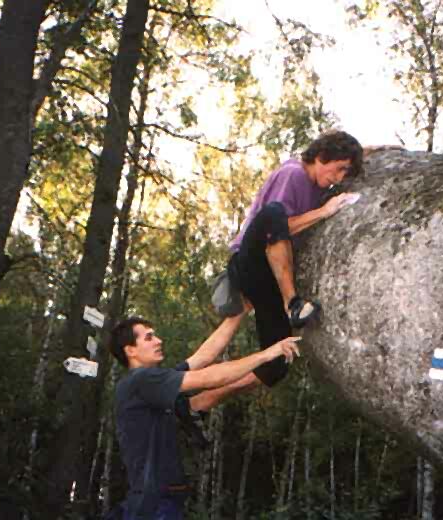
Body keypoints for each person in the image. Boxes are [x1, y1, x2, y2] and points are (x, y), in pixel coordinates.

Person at [109, 311, 301, 519]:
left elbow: (205, 356)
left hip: (159, 501)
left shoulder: (154, 384)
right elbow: (209, 377)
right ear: (130, 350)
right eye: (149, 337)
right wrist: (266, 354)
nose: (158, 340)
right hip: (152, 506)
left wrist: (240, 310)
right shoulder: (141, 380)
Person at [227, 130, 364, 389]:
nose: (339, 178)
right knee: (275, 213)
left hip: (269, 278)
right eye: (338, 169)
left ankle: (201, 401)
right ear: (322, 157)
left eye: (345, 172)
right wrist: (324, 212)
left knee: (278, 362)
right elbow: (276, 225)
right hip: (249, 262)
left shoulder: (318, 177)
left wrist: (375, 149)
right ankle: (293, 303)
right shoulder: (293, 174)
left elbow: (345, 152)